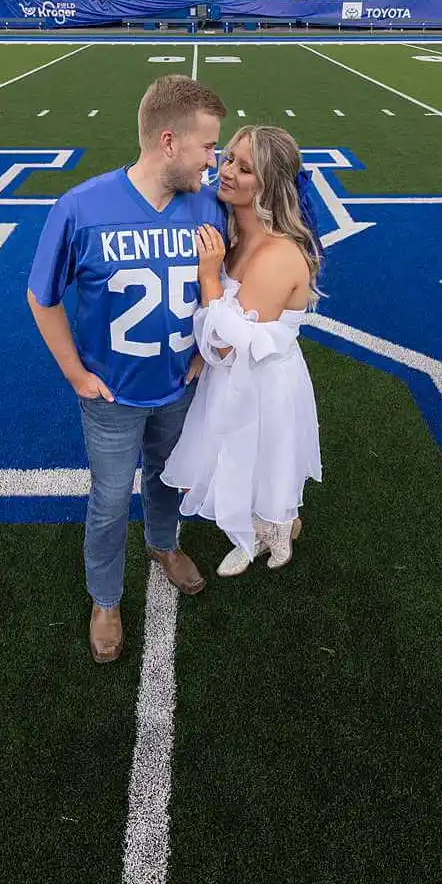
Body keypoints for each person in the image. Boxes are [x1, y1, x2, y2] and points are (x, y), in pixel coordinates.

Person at [26, 75, 227, 663]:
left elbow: (233, 283)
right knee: (111, 500)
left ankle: (163, 545)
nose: (212, 160)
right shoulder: (82, 207)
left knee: (170, 478)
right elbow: (43, 297)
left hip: (177, 385)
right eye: (207, 147)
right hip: (111, 394)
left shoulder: (208, 205)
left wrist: (200, 354)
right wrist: (74, 373)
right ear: (168, 141)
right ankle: (106, 597)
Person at [161, 125, 323, 578]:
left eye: (243, 168)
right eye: (229, 158)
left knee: (255, 461)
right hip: (234, 376)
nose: (225, 170)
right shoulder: (237, 232)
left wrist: (210, 277)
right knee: (242, 462)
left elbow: (232, 343)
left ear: (268, 186)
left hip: (261, 383)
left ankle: (272, 531)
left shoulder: (278, 254)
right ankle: (267, 527)